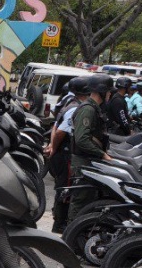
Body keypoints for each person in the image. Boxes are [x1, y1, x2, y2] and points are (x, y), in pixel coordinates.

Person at [44, 76, 90, 233]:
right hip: (64, 153)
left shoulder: (69, 102)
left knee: (63, 187)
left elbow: (55, 126)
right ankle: (59, 224)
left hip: (61, 151)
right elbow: (61, 131)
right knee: (65, 188)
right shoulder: (75, 107)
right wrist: (54, 148)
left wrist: (52, 145)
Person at [69, 74, 114, 222]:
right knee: (80, 201)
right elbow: (81, 139)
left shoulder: (95, 108)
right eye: (108, 91)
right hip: (83, 161)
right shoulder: (88, 109)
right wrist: (101, 154)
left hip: (88, 160)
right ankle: (71, 236)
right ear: (101, 91)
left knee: (87, 199)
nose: (109, 94)